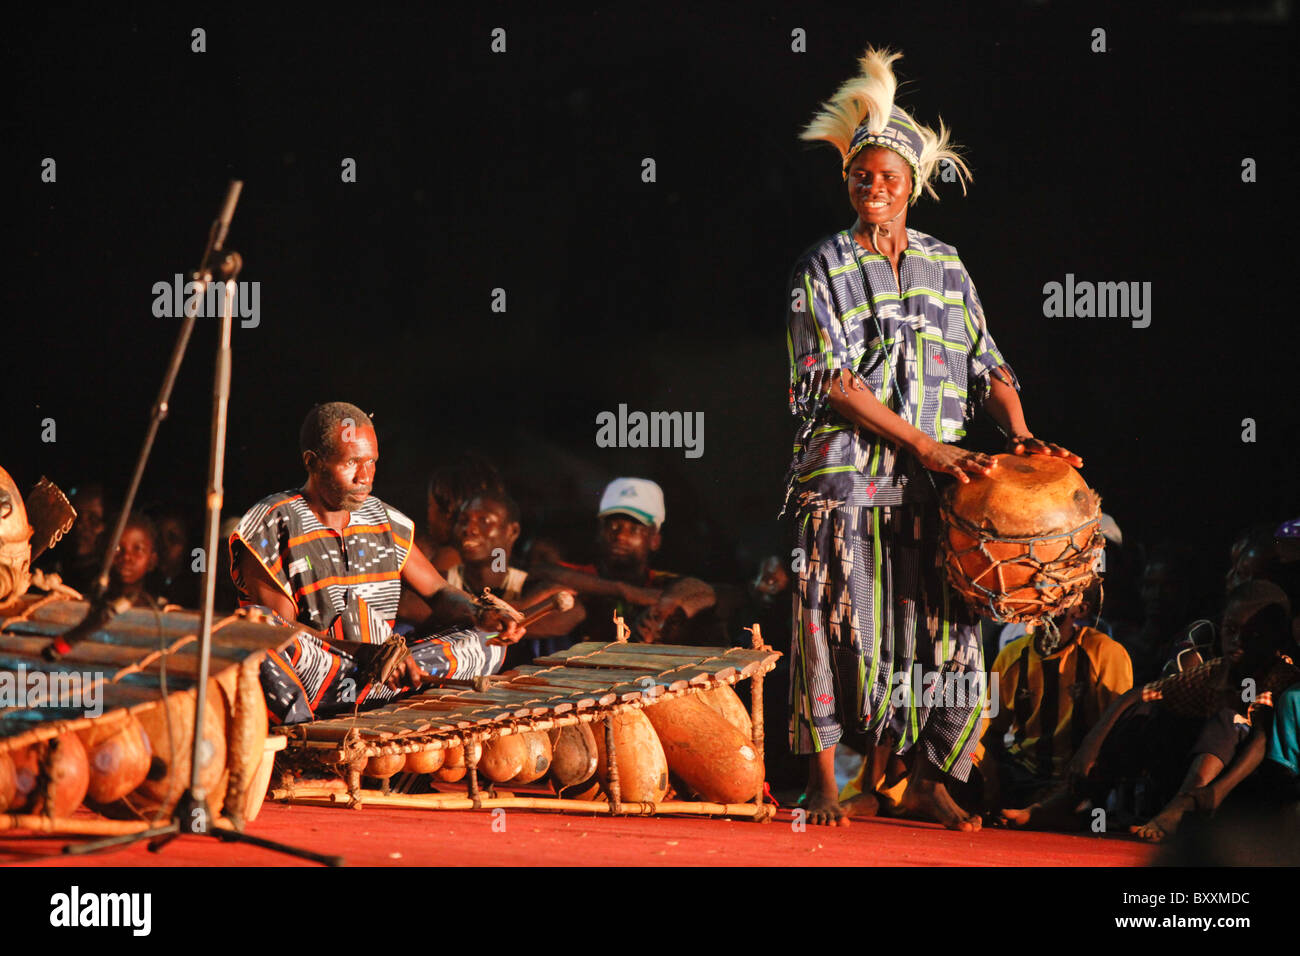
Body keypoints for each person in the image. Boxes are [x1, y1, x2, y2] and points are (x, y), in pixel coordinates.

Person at [784, 48, 1080, 829]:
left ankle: (926, 778)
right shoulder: (824, 265)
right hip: (848, 479)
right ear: (846, 181)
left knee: (948, 633)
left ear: (913, 184)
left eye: (887, 176)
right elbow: (833, 380)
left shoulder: (947, 266)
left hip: (942, 484)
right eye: (860, 175)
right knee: (832, 621)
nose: (872, 186)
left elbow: (987, 362)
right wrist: (925, 446)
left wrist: (1018, 437)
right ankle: (824, 779)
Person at [229, 402, 525, 724]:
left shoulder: (384, 518)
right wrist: (364, 653)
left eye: (371, 462)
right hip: (318, 678)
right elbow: (282, 632)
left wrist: (482, 611)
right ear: (313, 463)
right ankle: (304, 738)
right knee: (259, 631)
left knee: (485, 637)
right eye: (352, 462)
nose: (365, 476)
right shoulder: (272, 523)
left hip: (388, 674)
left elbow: (439, 591)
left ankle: (398, 689)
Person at [1062, 581, 1300, 841]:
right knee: (1144, 711)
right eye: (1230, 631)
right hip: (1201, 786)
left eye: (1253, 636)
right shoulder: (1216, 670)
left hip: (1239, 791)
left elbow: (1262, 740)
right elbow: (1138, 695)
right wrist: (1090, 747)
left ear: (1277, 639)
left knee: (1229, 717)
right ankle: (1076, 802)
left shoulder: (1281, 676)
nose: (1237, 642)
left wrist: (1216, 791)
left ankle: (1179, 811)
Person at [978, 583, 1133, 826]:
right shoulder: (1011, 654)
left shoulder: (1104, 651)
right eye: (1038, 594)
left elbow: (1117, 731)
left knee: (1104, 765)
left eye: (1055, 595)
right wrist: (989, 778)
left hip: (1077, 776)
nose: (1043, 601)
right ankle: (1037, 809)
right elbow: (991, 731)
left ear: (1080, 610)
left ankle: (1049, 810)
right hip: (1023, 772)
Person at [530, 478, 717, 645]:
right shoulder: (576, 576)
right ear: (599, 533)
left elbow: (707, 592)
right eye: (613, 526)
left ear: (654, 539)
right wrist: (625, 592)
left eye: (634, 529)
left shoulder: (665, 584)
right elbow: (540, 570)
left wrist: (662, 606)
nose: (620, 536)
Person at [436, 489, 584, 666]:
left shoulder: (528, 583)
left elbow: (573, 614)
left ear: (512, 531)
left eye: (484, 520)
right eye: (463, 521)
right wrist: (518, 610)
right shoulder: (440, 580)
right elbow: (409, 607)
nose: (469, 529)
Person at [107, 512, 165, 610]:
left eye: (138, 549)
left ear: (152, 560)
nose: (126, 556)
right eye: (117, 548)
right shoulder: (91, 604)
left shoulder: (161, 609)